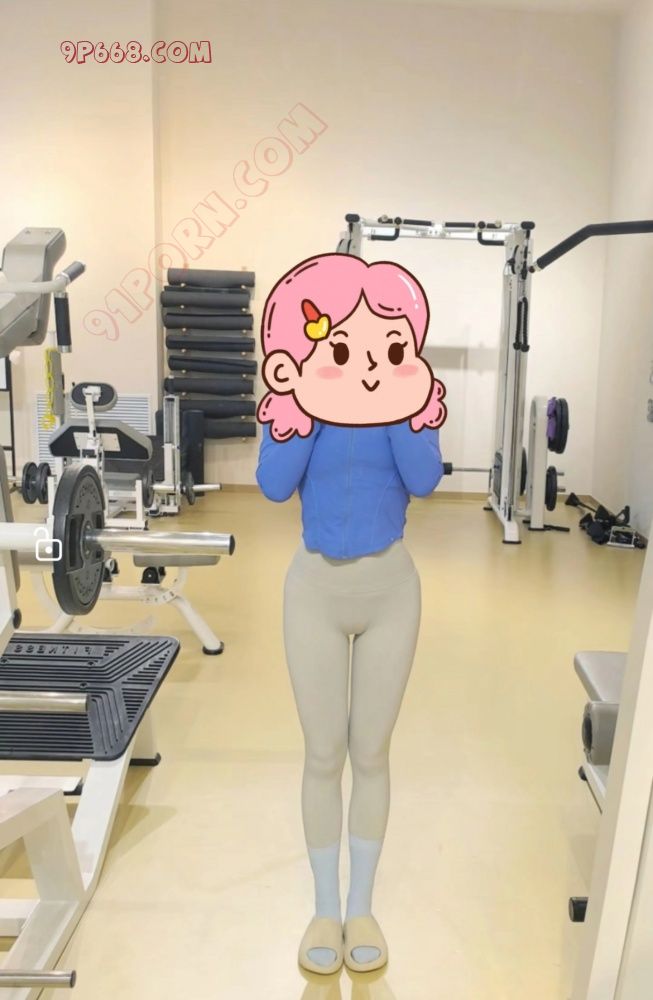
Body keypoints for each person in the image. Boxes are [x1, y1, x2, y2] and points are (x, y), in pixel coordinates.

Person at [256, 253, 446, 975]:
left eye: (383, 341)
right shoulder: (296, 403)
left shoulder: (408, 399)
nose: (362, 359)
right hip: (313, 592)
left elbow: (424, 479)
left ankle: (360, 905)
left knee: (370, 754)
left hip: (391, 590)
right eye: (342, 343)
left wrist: (396, 400)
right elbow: (274, 486)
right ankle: (323, 909)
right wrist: (305, 405)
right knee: (322, 754)